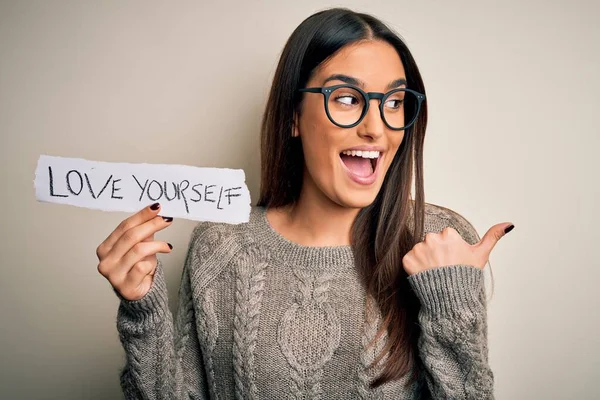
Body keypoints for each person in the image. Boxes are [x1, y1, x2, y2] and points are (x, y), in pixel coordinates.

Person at [96, 7, 513, 399]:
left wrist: (451, 300)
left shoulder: (438, 242)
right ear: (294, 115)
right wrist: (142, 314)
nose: (375, 127)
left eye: (394, 102)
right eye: (347, 98)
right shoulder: (220, 249)